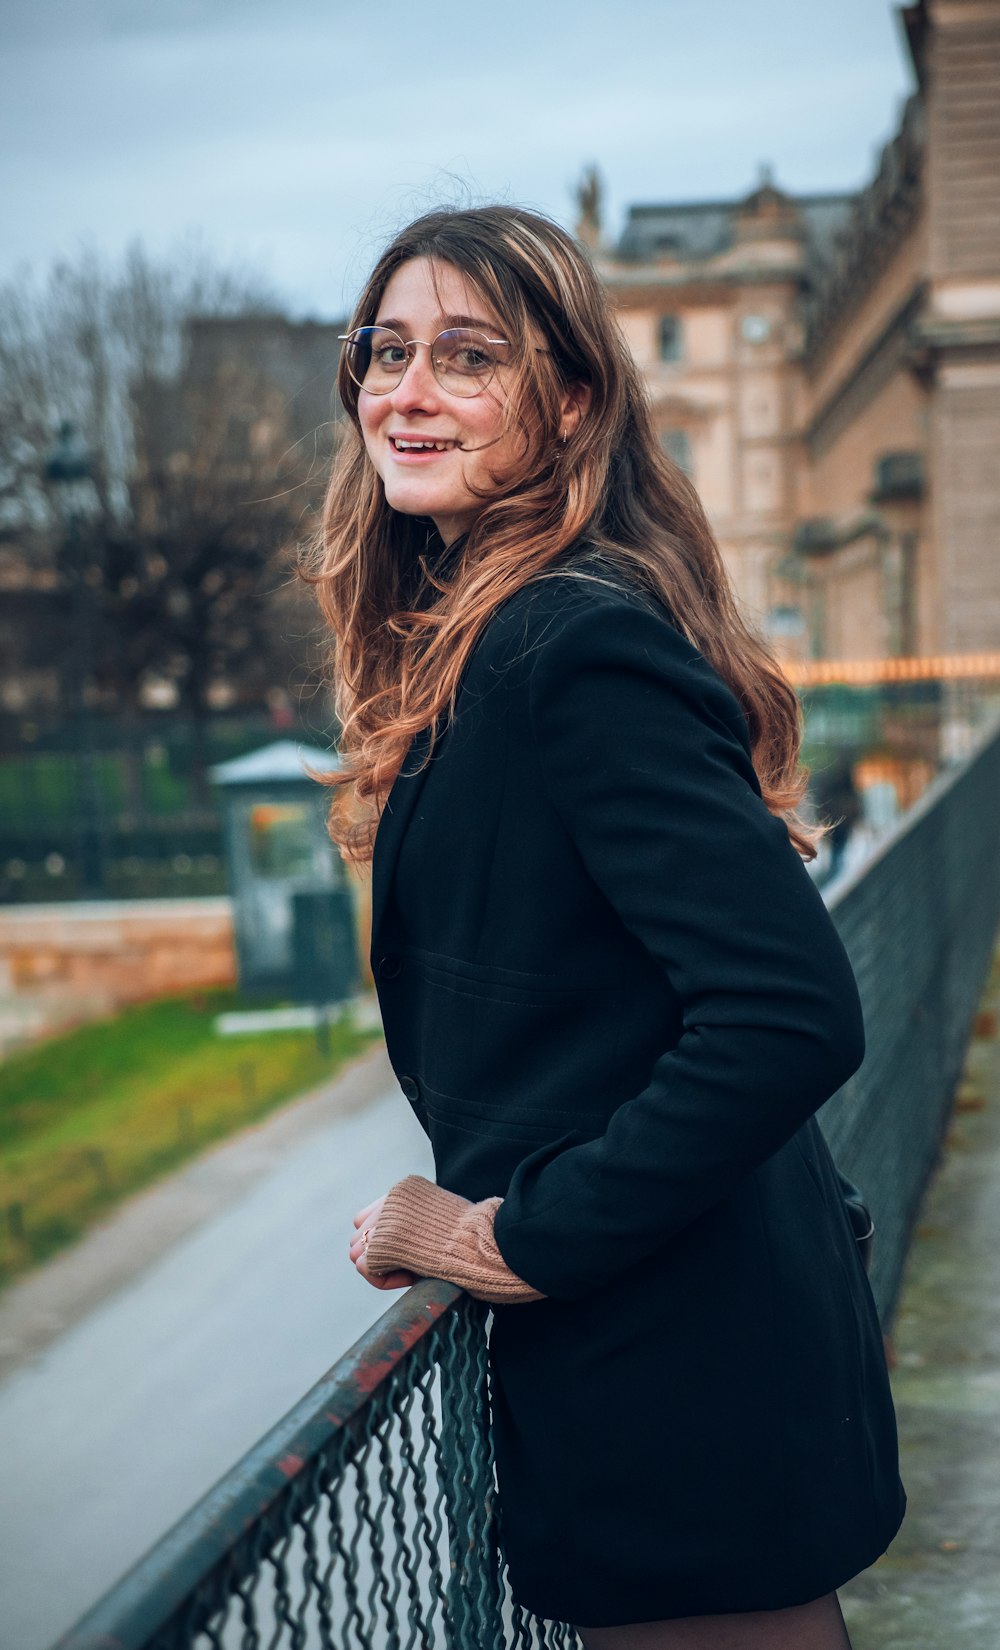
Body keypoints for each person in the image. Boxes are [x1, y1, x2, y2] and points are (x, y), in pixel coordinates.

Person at [307, 205, 905, 1649]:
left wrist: (514, 1232)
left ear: (568, 401)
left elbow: (790, 1011)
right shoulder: (499, 635)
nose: (409, 390)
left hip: (680, 1381)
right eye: (388, 352)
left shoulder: (565, 645)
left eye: (468, 356)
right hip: (680, 1359)